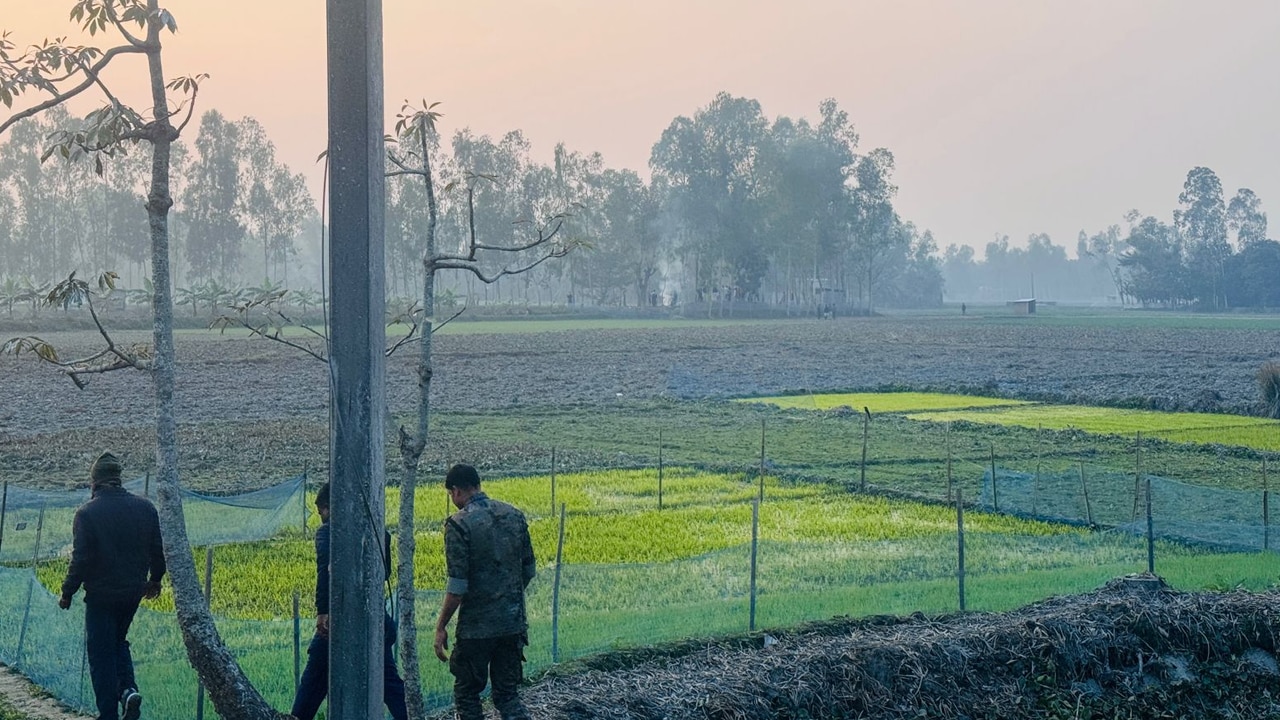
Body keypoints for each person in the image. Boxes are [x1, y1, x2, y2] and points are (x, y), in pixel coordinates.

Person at [59, 452, 165, 720]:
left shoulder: (87, 513)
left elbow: (81, 559)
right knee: (119, 641)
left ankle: (108, 714)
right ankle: (128, 691)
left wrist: (67, 592)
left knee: (100, 654)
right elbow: (157, 550)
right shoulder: (145, 508)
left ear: (95, 482)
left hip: (100, 596)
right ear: (118, 479)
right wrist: (156, 580)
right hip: (132, 593)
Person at [290, 482, 408, 720]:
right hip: (374, 621)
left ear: (331, 506)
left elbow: (324, 571)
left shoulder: (328, 532)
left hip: (341, 620)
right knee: (391, 686)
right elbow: (383, 574)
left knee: (312, 684)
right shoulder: (378, 530)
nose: (321, 517)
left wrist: (323, 611)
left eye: (322, 510)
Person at [434, 464, 536, 720]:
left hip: (476, 629)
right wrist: (505, 594)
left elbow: (457, 587)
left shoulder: (458, 525)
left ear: (456, 490)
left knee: (468, 695)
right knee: (508, 696)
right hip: (513, 624)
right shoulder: (514, 515)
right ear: (477, 485)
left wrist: (441, 626)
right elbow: (529, 569)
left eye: (451, 494)